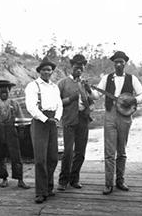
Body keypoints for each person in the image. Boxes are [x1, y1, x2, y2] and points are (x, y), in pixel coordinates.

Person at [91, 51, 142, 195]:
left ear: (125, 63)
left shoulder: (132, 78)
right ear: (113, 63)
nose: (118, 64)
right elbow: (96, 95)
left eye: (121, 61)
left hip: (125, 116)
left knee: (121, 151)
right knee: (109, 152)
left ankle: (120, 181)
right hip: (110, 115)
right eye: (116, 61)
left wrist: (132, 100)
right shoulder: (106, 78)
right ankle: (108, 183)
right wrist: (88, 90)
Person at [25, 57, 63, 204]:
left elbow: (59, 104)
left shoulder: (54, 87)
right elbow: (31, 107)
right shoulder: (33, 86)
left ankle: (48, 187)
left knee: (53, 157)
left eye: (50, 69)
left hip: (53, 120)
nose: (47, 72)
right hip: (40, 122)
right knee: (40, 159)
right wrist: (45, 119)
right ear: (39, 71)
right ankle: (40, 192)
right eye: (44, 69)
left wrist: (57, 118)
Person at [57, 54, 95, 191]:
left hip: (83, 120)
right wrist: (71, 99)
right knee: (67, 152)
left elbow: (92, 101)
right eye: (77, 67)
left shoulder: (85, 83)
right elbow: (57, 103)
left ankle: (74, 179)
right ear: (71, 67)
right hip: (69, 120)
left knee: (80, 152)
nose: (79, 69)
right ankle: (63, 180)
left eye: (82, 67)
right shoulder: (63, 83)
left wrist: (89, 91)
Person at [0, 80, 30, 189]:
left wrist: (22, 130)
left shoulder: (15, 104)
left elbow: (21, 118)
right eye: (1, 92)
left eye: (6, 92)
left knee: (16, 156)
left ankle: (20, 179)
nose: (4, 94)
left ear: (9, 92)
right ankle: (4, 178)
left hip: (11, 132)